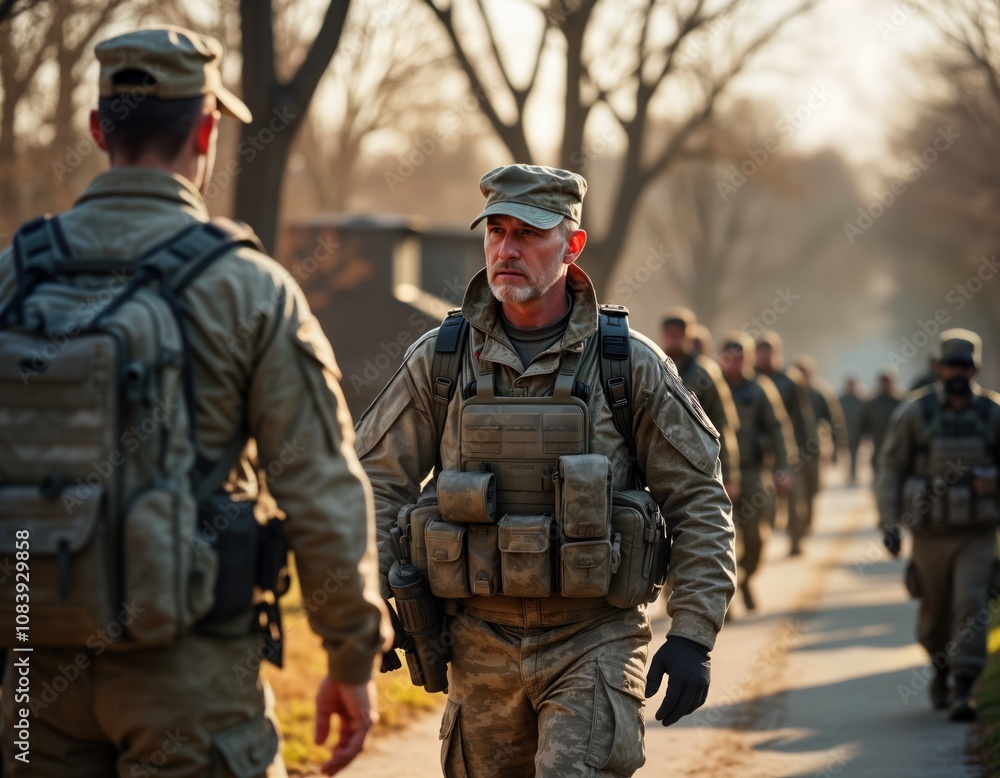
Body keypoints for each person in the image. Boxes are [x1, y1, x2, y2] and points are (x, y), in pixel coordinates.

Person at [0, 26, 387, 776]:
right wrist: (350, 654)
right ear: (207, 129)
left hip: (29, 672)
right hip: (186, 678)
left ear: (96, 128)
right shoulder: (247, 287)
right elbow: (318, 484)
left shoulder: (16, 273)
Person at [356, 164, 736, 776]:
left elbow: (696, 498)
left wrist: (694, 630)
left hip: (593, 639)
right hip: (475, 644)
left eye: (528, 233)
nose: (507, 249)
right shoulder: (441, 361)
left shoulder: (628, 365)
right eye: (496, 231)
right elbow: (378, 481)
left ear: (572, 244)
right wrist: (369, 598)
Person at [877, 329, 1000, 721]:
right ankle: (941, 669)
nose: (957, 372)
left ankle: (964, 686)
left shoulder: (993, 414)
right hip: (929, 535)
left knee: (970, 603)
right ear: (938, 367)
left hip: (977, 534)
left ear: (976, 367)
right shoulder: (917, 413)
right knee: (934, 618)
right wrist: (890, 523)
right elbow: (891, 468)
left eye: (964, 365)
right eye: (951, 365)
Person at [719, 333, 797, 612]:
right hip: (717, 473)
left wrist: (783, 467)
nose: (735, 363)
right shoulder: (712, 387)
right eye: (730, 357)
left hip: (752, 471)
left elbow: (778, 428)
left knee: (756, 537)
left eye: (741, 357)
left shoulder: (761, 389)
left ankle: (746, 578)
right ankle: (724, 597)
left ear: (749, 359)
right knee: (721, 538)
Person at [661, 307, 742, 506]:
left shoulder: (706, 372)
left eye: (678, 335)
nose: (674, 340)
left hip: (700, 464)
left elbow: (723, 423)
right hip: (661, 462)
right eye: (669, 335)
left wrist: (730, 474)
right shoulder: (653, 365)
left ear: (690, 335)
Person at [755, 332, 817, 555]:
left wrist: (807, 446)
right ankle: (762, 536)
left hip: (788, 445)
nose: (765, 356)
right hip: (760, 448)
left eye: (768, 351)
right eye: (761, 352)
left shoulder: (790, 379)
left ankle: (796, 538)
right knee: (762, 496)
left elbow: (802, 416)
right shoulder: (752, 378)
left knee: (793, 493)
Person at [792, 355, 847, 535]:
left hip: (814, 451)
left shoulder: (820, 393)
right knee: (796, 492)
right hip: (792, 452)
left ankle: (806, 521)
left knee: (812, 489)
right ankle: (796, 530)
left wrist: (837, 449)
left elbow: (835, 421)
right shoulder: (787, 392)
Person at [857, 368, 904, 484]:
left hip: (899, 447)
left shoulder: (902, 401)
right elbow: (862, 424)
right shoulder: (872, 403)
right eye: (883, 381)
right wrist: (861, 442)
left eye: (888, 381)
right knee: (879, 479)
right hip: (878, 446)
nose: (886, 384)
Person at [838, 375, 865, 485]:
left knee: (855, 454)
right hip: (843, 432)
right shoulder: (840, 400)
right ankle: (847, 474)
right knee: (845, 455)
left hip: (857, 432)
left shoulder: (861, 401)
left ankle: (853, 475)